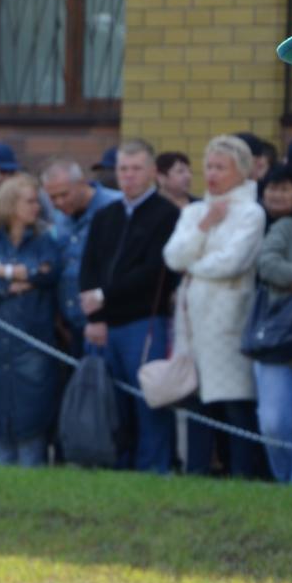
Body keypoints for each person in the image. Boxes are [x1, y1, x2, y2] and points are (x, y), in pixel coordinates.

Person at [162, 135, 267, 479]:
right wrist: (205, 226)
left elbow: (232, 262)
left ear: (241, 171)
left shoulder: (251, 213)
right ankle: (196, 470)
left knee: (235, 400)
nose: (212, 174)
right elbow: (173, 256)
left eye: (221, 167)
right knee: (196, 398)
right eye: (208, 165)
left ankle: (243, 473)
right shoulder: (194, 211)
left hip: (229, 319)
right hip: (192, 320)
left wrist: (193, 265)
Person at [78, 139, 181, 473]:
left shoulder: (166, 215)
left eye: (136, 169)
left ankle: (153, 469)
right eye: (123, 169)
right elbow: (89, 266)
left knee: (148, 402)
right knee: (112, 404)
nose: (129, 176)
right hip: (104, 326)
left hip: (143, 323)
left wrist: (105, 296)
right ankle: (116, 467)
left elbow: (154, 272)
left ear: (152, 172)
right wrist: (95, 316)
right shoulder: (105, 215)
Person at [0, 176, 62, 466]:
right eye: (30, 201)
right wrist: (20, 278)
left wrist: (5, 272)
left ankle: (32, 480)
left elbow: (48, 271)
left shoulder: (46, 239)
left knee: (32, 413)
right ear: (10, 203)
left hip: (32, 337)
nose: (37, 206)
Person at [253, 170, 292, 484]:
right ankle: (286, 480)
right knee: (274, 422)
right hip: (280, 337)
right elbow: (266, 265)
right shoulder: (288, 228)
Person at [41, 158, 122, 356]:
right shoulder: (60, 218)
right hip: (71, 324)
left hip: (110, 322)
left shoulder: (116, 206)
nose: (59, 202)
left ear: (82, 183)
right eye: (52, 198)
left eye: (64, 194)